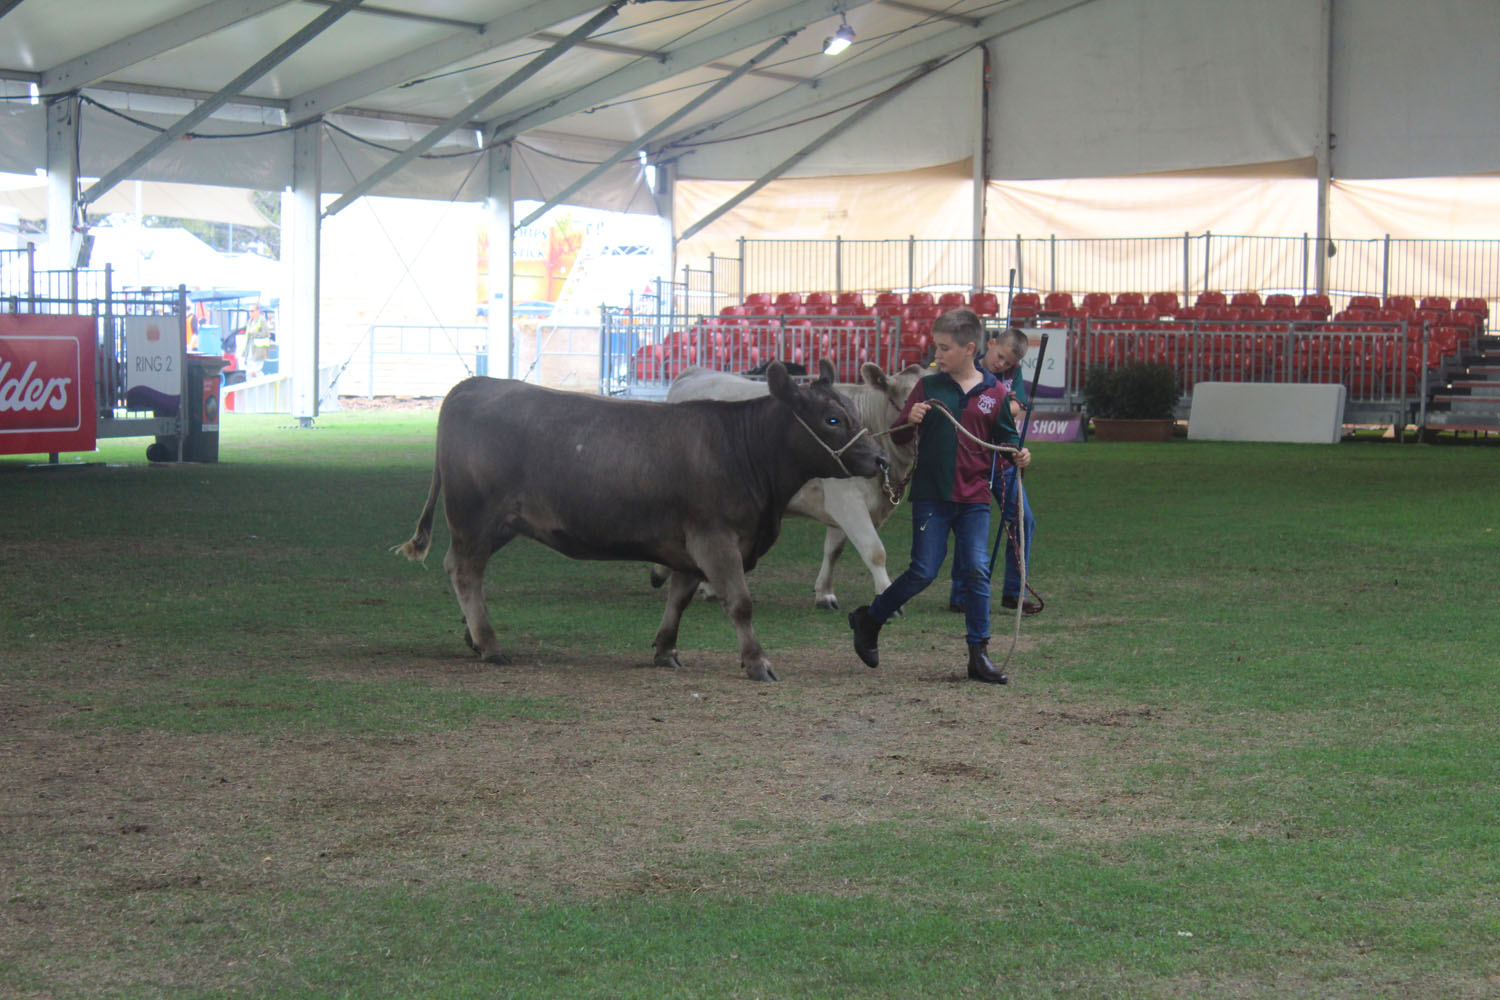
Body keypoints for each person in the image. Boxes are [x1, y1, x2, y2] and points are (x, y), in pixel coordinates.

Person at [848, 308, 1032, 685]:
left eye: (945, 348)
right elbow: (899, 435)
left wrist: (1019, 454)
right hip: (932, 495)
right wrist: (909, 419)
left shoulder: (996, 393)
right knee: (923, 571)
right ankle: (870, 619)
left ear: (969, 349)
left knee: (977, 569)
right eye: (937, 346)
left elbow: (1005, 441)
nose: (937, 354)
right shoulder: (928, 388)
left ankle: (978, 654)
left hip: (975, 498)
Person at [948, 325, 1042, 616]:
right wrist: (1001, 402)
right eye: (1000, 356)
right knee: (969, 523)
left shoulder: (1013, 373)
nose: (1001, 364)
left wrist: (995, 403)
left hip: (1003, 458)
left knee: (1024, 520)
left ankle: (1013, 592)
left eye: (1008, 362)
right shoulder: (967, 367)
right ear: (990, 344)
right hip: (970, 459)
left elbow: (1017, 408)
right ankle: (960, 594)